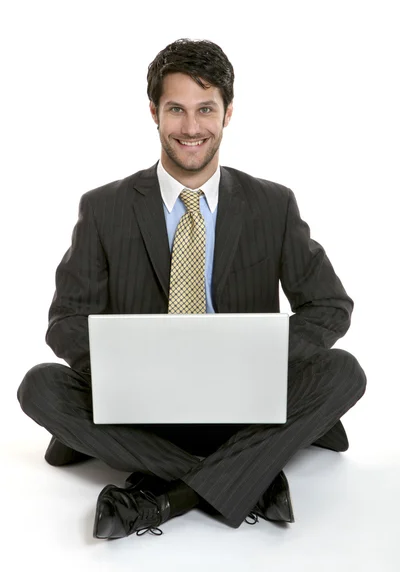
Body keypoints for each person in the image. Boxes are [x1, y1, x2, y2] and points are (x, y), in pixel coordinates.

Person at [17, 38, 367, 540]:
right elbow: (67, 319)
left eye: (206, 109)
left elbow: (329, 305)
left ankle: (165, 496)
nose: (190, 127)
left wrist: (260, 359)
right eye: (176, 109)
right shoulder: (104, 208)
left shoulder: (272, 204)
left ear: (228, 114)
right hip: (141, 404)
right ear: (154, 113)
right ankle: (247, 474)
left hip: (244, 399)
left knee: (344, 372)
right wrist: (131, 370)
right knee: (39, 385)